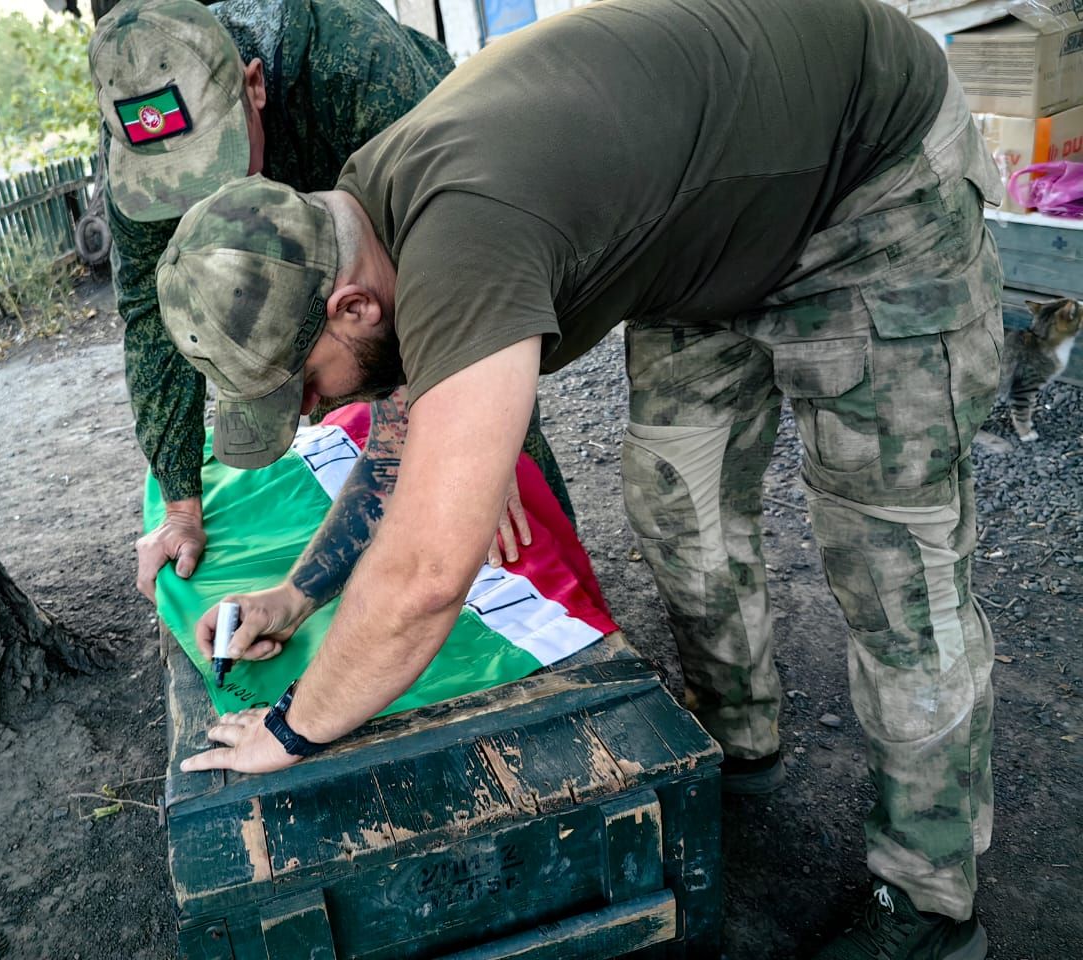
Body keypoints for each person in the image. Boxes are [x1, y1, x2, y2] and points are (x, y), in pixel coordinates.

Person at [156, 0, 1003, 956]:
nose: (309, 414)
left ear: (350, 304)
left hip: (867, 181)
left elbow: (432, 571)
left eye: (301, 384)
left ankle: (931, 901)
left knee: (895, 566)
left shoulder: (460, 235)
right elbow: (400, 432)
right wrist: (300, 595)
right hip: (714, 229)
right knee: (676, 504)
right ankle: (741, 751)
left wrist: (295, 729)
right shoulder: (359, 220)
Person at [88, 0, 574, 603]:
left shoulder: (354, 62)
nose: (209, 202)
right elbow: (150, 316)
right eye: (182, 185)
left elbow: (469, 257)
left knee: (487, 462)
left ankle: (563, 612)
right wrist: (181, 500)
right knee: (334, 399)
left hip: (425, 227)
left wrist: (482, 432)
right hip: (314, 287)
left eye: (219, 164)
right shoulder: (143, 147)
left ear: (255, 85)